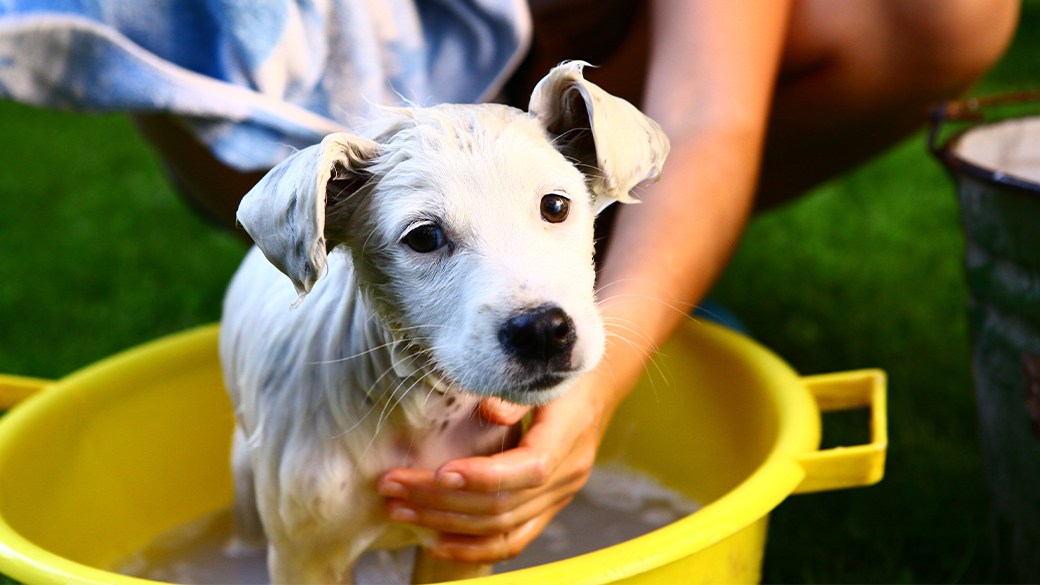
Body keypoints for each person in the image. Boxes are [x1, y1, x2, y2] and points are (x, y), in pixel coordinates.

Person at [1, 0, 1021, 565]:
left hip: (577, 59)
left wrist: (601, 378)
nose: (531, 309)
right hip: (316, 132)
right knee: (274, 511)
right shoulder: (322, 207)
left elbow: (707, 116)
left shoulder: (579, 131)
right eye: (423, 241)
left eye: (556, 209)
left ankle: (598, 260)